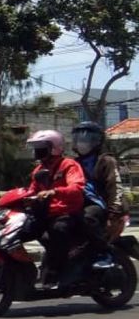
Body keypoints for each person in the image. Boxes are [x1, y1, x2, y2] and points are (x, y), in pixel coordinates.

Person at [22, 130, 85, 284]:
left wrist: (54, 191)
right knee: (23, 230)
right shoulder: (38, 170)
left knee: (58, 230)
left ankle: (58, 269)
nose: (37, 151)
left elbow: (77, 187)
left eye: (41, 147)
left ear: (54, 147)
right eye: (36, 147)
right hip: (45, 214)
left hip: (66, 212)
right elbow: (32, 190)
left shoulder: (69, 165)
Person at [71, 121, 126, 269]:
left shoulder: (106, 161)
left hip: (102, 208)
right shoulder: (74, 163)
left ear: (97, 141)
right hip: (81, 205)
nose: (82, 142)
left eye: (87, 139)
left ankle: (105, 253)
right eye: (79, 138)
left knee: (87, 218)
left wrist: (113, 214)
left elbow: (115, 186)